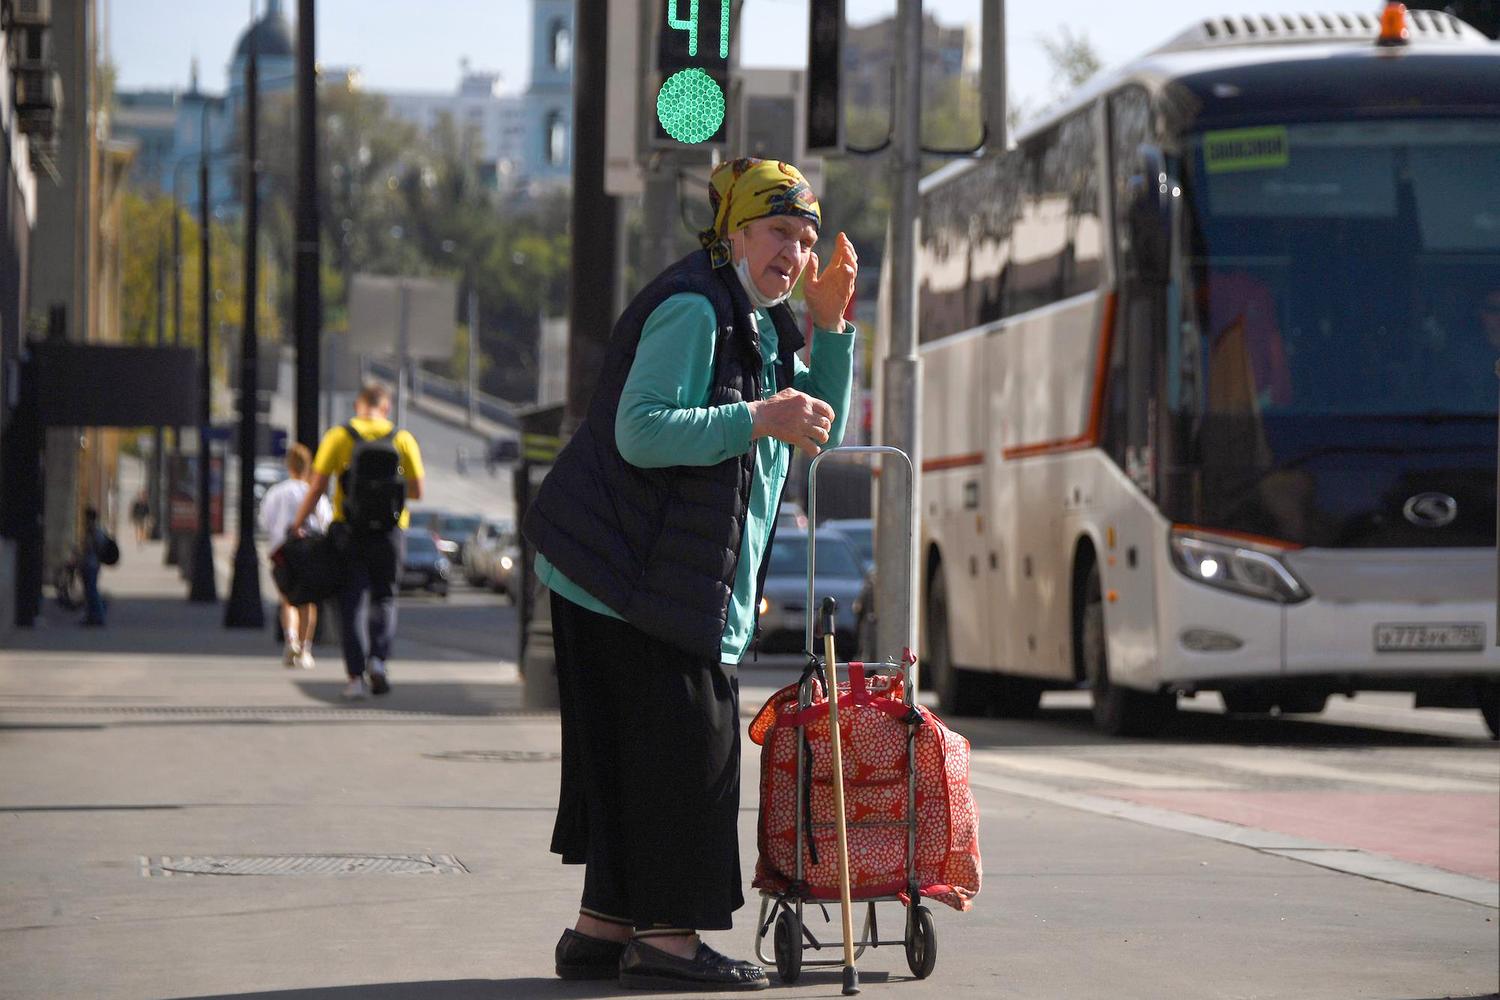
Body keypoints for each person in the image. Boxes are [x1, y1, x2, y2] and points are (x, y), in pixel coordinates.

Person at [523, 157, 858, 991]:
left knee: (629, 760)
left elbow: (809, 430)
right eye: (779, 230)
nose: (793, 250)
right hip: (631, 578)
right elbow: (642, 431)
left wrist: (832, 331)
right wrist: (757, 417)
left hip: (636, 578)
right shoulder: (696, 307)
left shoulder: (763, 320)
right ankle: (666, 943)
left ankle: (599, 935)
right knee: (685, 761)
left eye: (805, 238)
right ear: (736, 231)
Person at [290, 384, 425, 700]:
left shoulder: (340, 437)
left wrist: (299, 523)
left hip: (350, 532)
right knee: (385, 597)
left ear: (358, 405)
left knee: (351, 603)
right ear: (386, 407)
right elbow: (418, 490)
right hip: (390, 534)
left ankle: (355, 678)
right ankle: (378, 661)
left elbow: (317, 486)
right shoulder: (402, 439)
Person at [259, 443, 333, 669]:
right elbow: (326, 522)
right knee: (308, 601)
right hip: (309, 549)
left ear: (288, 465)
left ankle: (290, 639)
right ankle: (306, 649)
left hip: (283, 550)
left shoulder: (277, 492)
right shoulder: (313, 493)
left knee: (287, 599)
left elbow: (265, 521)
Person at [78, 506, 109, 626]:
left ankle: (99, 616)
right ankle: (90, 617)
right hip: (88, 564)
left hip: (92, 565)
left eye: (87, 518)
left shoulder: (96, 532)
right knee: (89, 593)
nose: (85, 521)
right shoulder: (91, 531)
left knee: (92, 592)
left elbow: (95, 548)